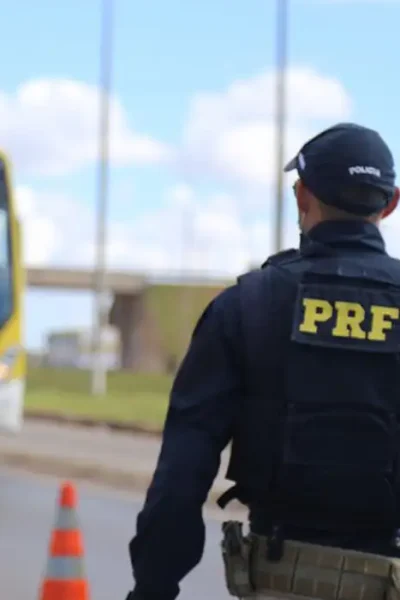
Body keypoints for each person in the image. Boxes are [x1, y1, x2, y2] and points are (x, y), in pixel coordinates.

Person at [124, 122, 400, 600]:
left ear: (302, 196)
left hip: (281, 579)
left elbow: (181, 476)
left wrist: (153, 588)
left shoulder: (248, 305)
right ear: (391, 203)